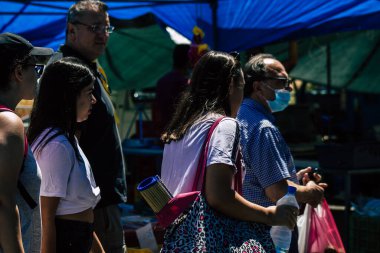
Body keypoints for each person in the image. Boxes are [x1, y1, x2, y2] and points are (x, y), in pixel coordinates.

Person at [160, 51, 298, 252]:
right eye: (242, 86)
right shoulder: (224, 126)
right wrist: (270, 215)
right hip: (209, 242)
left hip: (179, 243)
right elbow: (219, 196)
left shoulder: (179, 130)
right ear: (231, 86)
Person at [47, 1, 127, 252]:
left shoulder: (89, 67)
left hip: (98, 202)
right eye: (95, 28)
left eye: (106, 28)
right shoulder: (68, 71)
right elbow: (62, 139)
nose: (103, 34)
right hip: (88, 207)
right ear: (71, 30)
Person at [237, 53, 327, 252]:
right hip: (267, 234)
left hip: (243, 230)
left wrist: (293, 179)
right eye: (281, 82)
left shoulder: (240, 116)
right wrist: (311, 192)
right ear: (258, 86)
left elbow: (258, 175)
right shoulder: (263, 128)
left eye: (289, 82)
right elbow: (277, 191)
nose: (289, 88)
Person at [28, 57, 103, 253]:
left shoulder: (66, 138)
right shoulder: (56, 145)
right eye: (89, 93)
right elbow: (47, 217)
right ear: (68, 96)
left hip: (77, 238)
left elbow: (79, 208)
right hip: (66, 242)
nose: (93, 100)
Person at [0, 32, 52, 253]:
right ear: (19, 72)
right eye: (36, 68)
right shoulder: (8, 122)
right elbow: (3, 203)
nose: (38, 77)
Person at [152, 44, 190, 135]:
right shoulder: (187, 83)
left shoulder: (162, 81)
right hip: (182, 134)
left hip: (164, 134)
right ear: (189, 59)